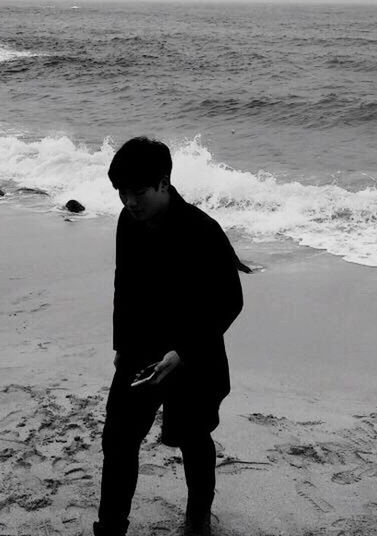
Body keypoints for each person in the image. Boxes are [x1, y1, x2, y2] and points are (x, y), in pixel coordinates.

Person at [94, 137, 244, 536]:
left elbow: (230, 301)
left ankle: (198, 519)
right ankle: (110, 528)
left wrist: (183, 351)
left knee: (193, 438)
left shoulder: (203, 231)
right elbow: (123, 287)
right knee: (119, 440)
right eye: (122, 193)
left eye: (138, 192)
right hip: (140, 349)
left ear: (164, 183)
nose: (129, 202)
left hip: (194, 352)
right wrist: (120, 349)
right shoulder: (128, 222)